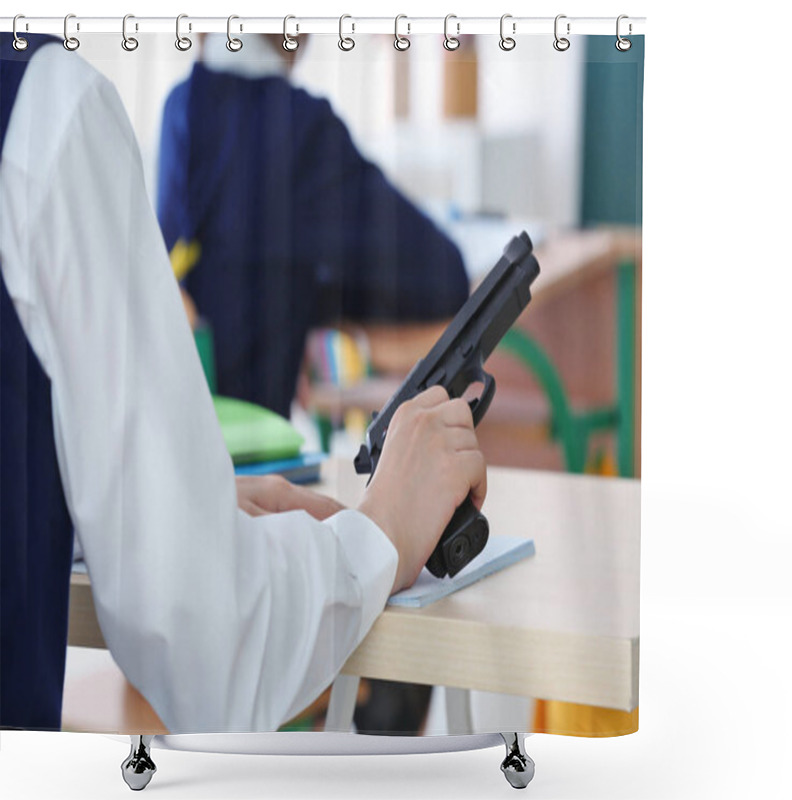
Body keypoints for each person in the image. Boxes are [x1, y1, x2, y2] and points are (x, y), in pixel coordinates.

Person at [0, 34, 486, 733]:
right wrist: (383, 529)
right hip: (241, 559)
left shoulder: (179, 110)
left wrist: (152, 502)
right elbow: (209, 644)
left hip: (201, 467)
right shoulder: (53, 112)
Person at [157, 34, 470, 419]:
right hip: (256, 456)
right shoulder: (300, 127)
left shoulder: (180, 109)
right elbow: (445, 276)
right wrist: (315, 298)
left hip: (177, 437)